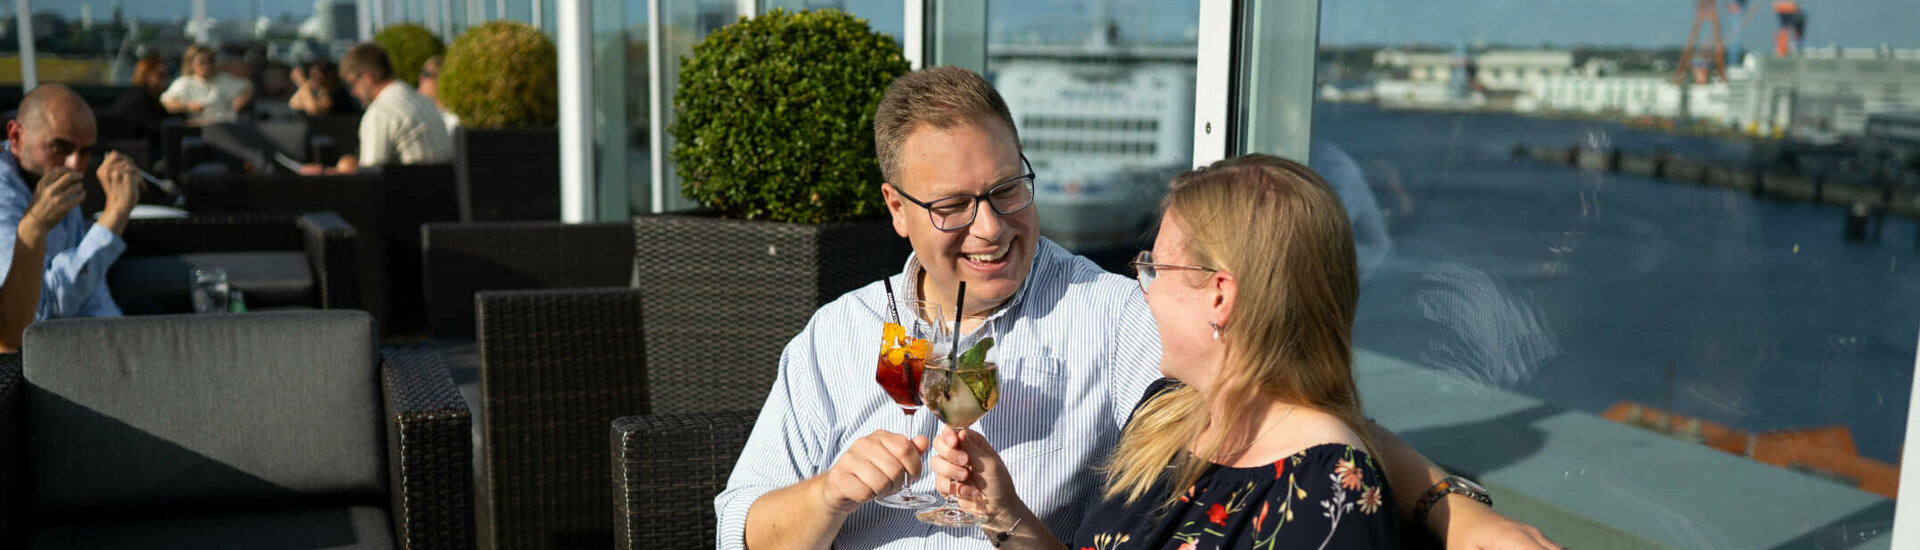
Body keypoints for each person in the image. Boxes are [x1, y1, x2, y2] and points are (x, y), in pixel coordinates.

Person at [716, 66, 1560, 550]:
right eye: (952, 205)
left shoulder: (1117, 313)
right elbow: (738, 527)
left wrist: (1446, 507)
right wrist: (829, 494)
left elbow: (1275, 403)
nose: (990, 226)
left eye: (1007, 188)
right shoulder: (841, 335)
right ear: (896, 209)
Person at [930, 154, 1397, 548]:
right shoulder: (1167, 412)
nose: (1144, 289)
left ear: (1220, 296)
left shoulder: (1329, 491)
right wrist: (1003, 510)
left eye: (1156, 268)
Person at [0, 85, 140, 344]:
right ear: (17, 137)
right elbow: (36, 315)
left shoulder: (48, 179)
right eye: (59, 147)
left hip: (108, 340)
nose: (74, 164)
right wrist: (112, 219)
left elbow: (89, 295)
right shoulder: (5, 197)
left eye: (85, 151)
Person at [301, 43, 453, 174]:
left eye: (352, 84)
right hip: (442, 199)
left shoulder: (381, 112)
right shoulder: (421, 100)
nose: (353, 92)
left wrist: (324, 174)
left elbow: (368, 180)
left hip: (408, 202)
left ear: (368, 78)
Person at [160, 44, 253, 125]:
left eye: (209, 60)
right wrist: (187, 106)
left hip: (224, 126)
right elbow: (167, 102)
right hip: (199, 129)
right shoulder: (184, 83)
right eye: (201, 62)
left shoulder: (222, 79)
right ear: (191, 64)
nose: (206, 65)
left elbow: (247, 88)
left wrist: (241, 100)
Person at [104, 53, 172, 142]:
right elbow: (153, 127)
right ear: (147, 76)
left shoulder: (148, 97)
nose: (165, 81)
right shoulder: (139, 98)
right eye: (161, 76)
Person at [287, 59, 360, 118]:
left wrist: (303, 85)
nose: (313, 79)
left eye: (316, 75)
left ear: (330, 76)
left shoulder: (337, 92)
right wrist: (304, 87)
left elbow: (314, 110)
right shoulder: (319, 92)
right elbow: (293, 104)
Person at [415, 55, 459, 133]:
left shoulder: (455, 121)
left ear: (440, 80)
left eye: (426, 74)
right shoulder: (421, 116)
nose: (420, 77)